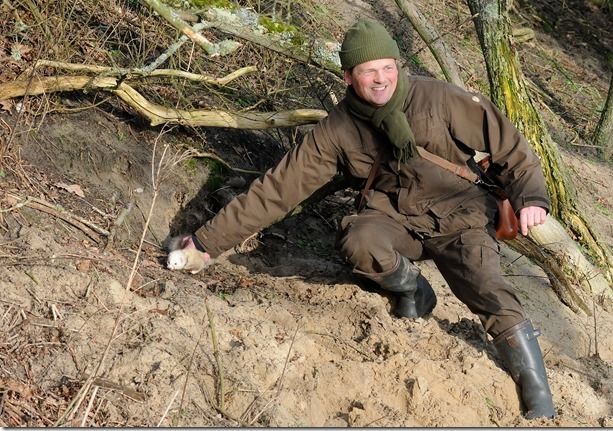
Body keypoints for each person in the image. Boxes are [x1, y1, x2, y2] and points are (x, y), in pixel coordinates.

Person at [174, 20, 555, 419]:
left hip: (461, 217)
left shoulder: (438, 98)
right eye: (368, 71)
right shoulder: (338, 129)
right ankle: (413, 291)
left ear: (398, 65)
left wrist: (531, 198)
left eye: (388, 67)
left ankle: (537, 394)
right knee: (359, 241)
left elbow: (512, 147)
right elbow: (278, 189)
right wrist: (205, 244)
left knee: (490, 291)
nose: (381, 79)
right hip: (394, 220)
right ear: (348, 76)